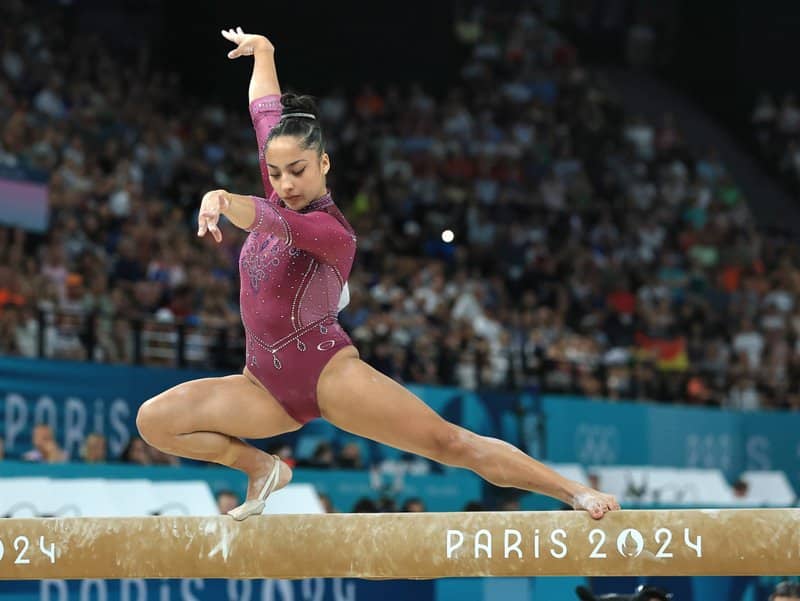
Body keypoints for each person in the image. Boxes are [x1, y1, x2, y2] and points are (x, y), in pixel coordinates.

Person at [136, 27, 620, 521]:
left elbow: (267, 217)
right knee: (156, 420)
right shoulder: (281, 181)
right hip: (262, 386)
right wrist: (264, 51)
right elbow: (265, 110)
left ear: (323, 162)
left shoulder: (329, 230)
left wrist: (221, 198)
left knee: (451, 442)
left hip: (329, 375)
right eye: (276, 173)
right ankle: (262, 469)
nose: (285, 182)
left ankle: (572, 491)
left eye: (298, 170)